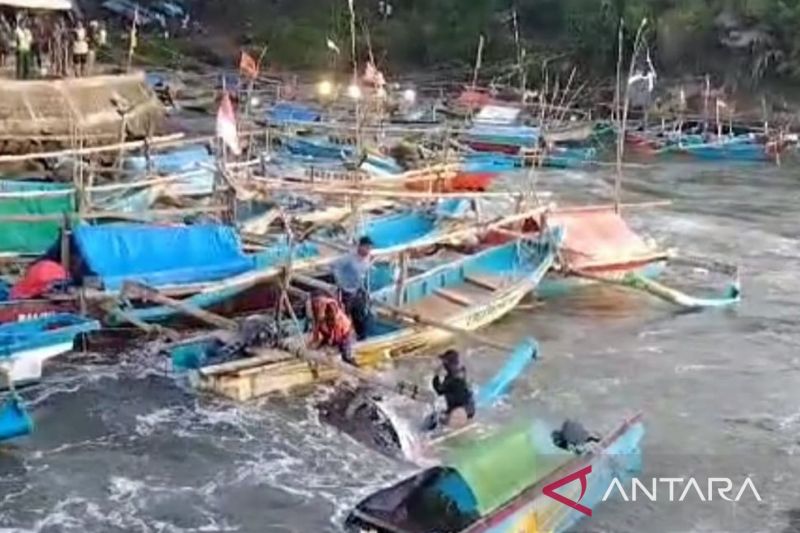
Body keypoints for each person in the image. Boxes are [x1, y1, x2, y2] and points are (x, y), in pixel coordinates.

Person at [332, 236, 373, 340]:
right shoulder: (349, 258)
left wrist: (364, 288)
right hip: (346, 291)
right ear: (360, 246)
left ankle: (361, 337)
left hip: (357, 290)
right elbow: (335, 266)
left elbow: (363, 274)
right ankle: (342, 339)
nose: (368, 250)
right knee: (344, 316)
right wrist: (339, 281)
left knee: (359, 315)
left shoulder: (367, 258)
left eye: (370, 248)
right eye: (366, 247)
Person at [431, 350, 475, 429]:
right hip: (462, 409)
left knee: (436, 421)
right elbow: (440, 390)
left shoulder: (456, 378)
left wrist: (446, 399)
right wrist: (436, 376)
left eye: (444, 363)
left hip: (461, 411)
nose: (443, 365)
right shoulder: (454, 375)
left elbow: (442, 391)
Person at [310, 292, 357, 365]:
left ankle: (352, 364)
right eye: (315, 302)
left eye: (318, 301)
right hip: (329, 331)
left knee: (346, 355)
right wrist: (315, 340)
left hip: (343, 333)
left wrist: (331, 340)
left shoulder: (331, 307)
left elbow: (336, 324)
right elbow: (316, 323)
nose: (316, 304)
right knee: (316, 349)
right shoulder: (315, 307)